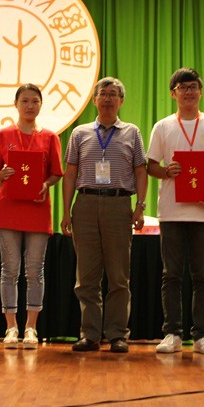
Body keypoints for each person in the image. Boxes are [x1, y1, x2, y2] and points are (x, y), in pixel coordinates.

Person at [146, 68, 204, 355]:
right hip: (171, 213)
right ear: (173, 94)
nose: (188, 92)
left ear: (200, 91)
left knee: (203, 276)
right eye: (182, 88)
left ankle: (202, 335)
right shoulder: (162, 126)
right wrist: (166, 172)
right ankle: (171, 333)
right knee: (171, 275)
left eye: (193, 87)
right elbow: (151, 166)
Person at [61, 77, 148, 353]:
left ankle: (117, 334)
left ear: (121, 101)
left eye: (113, 94)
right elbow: (70, 173)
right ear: (94, 100)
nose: (108, 98)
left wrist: (140, 206)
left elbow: (141, 171)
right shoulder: (80, 133)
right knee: (86, 277)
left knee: (119, 276)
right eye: (103, 94)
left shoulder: (132, 132)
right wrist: (66, 211)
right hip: (85, 204)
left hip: (118, 205)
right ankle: (90, 334)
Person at [0, 84, 64, 349]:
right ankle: (11, 327)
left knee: (34, 271)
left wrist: (46, 184)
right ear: (16, 104)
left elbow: (56, 173)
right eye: (25, 101)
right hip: (9, 210)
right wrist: (3, 174)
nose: (30, 106)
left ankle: (31, 327)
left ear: (41, 105)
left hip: (38, 211)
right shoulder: (3, 135)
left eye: (35, 101)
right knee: (9, 270)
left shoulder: (50, 137)